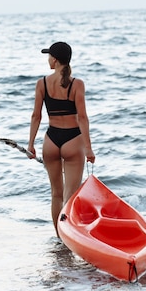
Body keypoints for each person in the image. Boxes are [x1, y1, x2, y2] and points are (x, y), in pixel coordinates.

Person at [27, 42, 95, 236]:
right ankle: (71, 238)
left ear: (55, 60)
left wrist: (31, 144)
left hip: (51, 140)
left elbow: (36, 116)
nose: (48, 59)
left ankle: (60, 238)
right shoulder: (77, 84)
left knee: (56, 194)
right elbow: (82, 117)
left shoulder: (42, 83)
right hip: (73, 140)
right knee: (70, 197)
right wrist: (88, 148)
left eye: (49, 56)